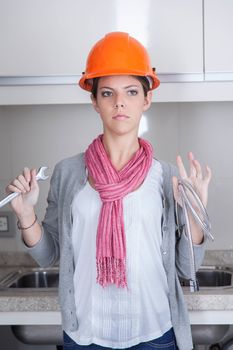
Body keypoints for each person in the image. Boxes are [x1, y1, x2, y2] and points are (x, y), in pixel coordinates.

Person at [6, 32, 211, 350]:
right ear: (94, 100)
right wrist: (26, 215)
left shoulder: (166, 177)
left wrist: (195, 213)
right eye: (107, 93)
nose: (119, 102)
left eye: (131, 91)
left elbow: (187, 268)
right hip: (87, 334)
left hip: (154, 332)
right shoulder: (68, 173)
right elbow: (50, 256)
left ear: (147, 99)